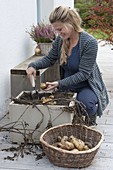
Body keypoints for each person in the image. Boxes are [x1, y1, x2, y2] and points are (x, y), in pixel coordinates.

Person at [26, 6, 109, 126]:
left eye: (60, 29)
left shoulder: (89, 43)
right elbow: (49, 59)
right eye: (56, 30)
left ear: (71, 23)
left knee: (85, 104)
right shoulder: (60, 41)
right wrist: (33, 66)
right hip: (67, 85)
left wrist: (59, 83)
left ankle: (91, 119)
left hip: (86, 86)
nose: (58, 34)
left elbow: (84, 74)